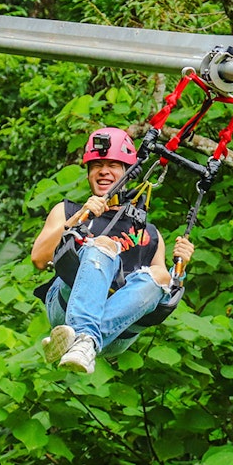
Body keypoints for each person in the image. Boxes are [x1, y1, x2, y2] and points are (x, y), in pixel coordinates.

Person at [31, 127, 194, 373]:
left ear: (129, 173)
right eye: (97, 165)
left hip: (119, 331)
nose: (104, 171)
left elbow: (162, 292)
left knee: (162, 276)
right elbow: (39, 259)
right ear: (88, 174)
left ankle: (85, 342)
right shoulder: (67, 210)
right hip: (66, 311)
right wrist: (79, 218)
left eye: (113, 165)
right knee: (103, 245)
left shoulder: (148, 233)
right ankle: (86, 337)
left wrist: (179, 270)